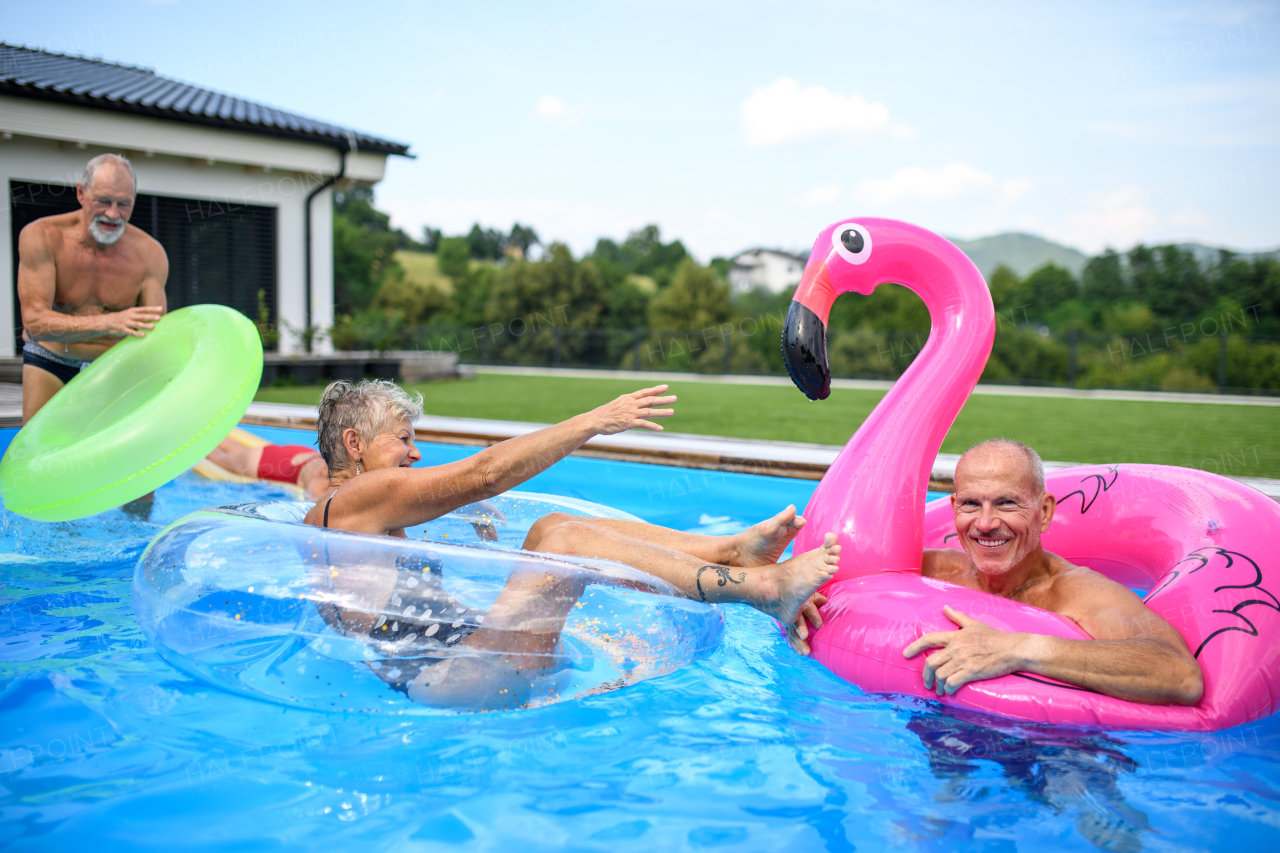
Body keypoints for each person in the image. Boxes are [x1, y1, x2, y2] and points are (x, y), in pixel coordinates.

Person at [307, 379, 840, 709]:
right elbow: (485, 473)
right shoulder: (352, 500)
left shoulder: (350, 518)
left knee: (550, 526)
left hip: (464, 663)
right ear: (354, 444)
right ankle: (757, 587)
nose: (416, 453)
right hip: (452, 680)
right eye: (403, 438)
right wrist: (595, 421)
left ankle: (728, 550)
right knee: (565, 540)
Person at [902, 438, 1204, 706]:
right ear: (954, 507)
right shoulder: (931, 571)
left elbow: (1180, 675)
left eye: (1006, 503)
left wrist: (1018, 648)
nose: (985, 523)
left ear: (1044, 512)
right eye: (970, 504)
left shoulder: (1076, 593)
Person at [16, 153, 168, 424]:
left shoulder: (150, 254)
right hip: (51, 360)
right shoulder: (42, 237)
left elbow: (155, 333)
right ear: (81, 193)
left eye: (124, 204)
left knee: (115, 460)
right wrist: (110, 321)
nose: (113, 214)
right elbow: (35, 323)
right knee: (37, 455)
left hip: (112, 368)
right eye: (103, 201)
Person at [206, 431, 329, 499]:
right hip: (270, 463)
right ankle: (199, 437)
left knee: (238, 453)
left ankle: (209, 433)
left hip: (299, 455)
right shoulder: (327, 478)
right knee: (219, 459)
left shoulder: (338, 461)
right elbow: (312, 500)